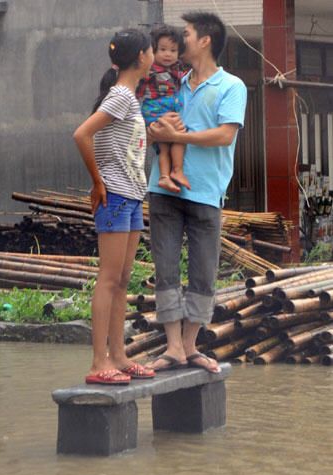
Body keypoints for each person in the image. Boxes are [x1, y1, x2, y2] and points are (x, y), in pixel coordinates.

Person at [146, 11, 247, 373]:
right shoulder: (172, 82)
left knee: (203, 274)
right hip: (164, 190)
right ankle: (173, 346)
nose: (180, 39)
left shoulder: (232, 86)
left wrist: (178, 136)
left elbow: (224, 135)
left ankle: (189, 345)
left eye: (186, 34)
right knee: (166, 270)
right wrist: (158, 132)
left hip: (206, 192)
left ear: (205, 40)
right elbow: (151, 125)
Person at [73, 29, 156, 385]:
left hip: (132, 195)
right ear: (141, 56)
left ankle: (119, 355)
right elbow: (81, 134)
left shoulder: (127, 96)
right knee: (108, 280)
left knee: (122, 279)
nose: (154, 56)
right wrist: (97, 181)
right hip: (116, 196)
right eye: (152, 50)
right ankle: (98, 362)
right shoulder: (121, 94)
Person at [137, 25, 190, 194]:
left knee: (170, 143)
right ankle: (174, 172)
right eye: (163, 49)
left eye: (173, 50)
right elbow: (138, 89)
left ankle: (167, 176)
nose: (168, 54)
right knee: (177, 137)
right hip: (156, 112)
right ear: (153, 50)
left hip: (168, 111)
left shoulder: (178, 69)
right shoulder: (150, 70)